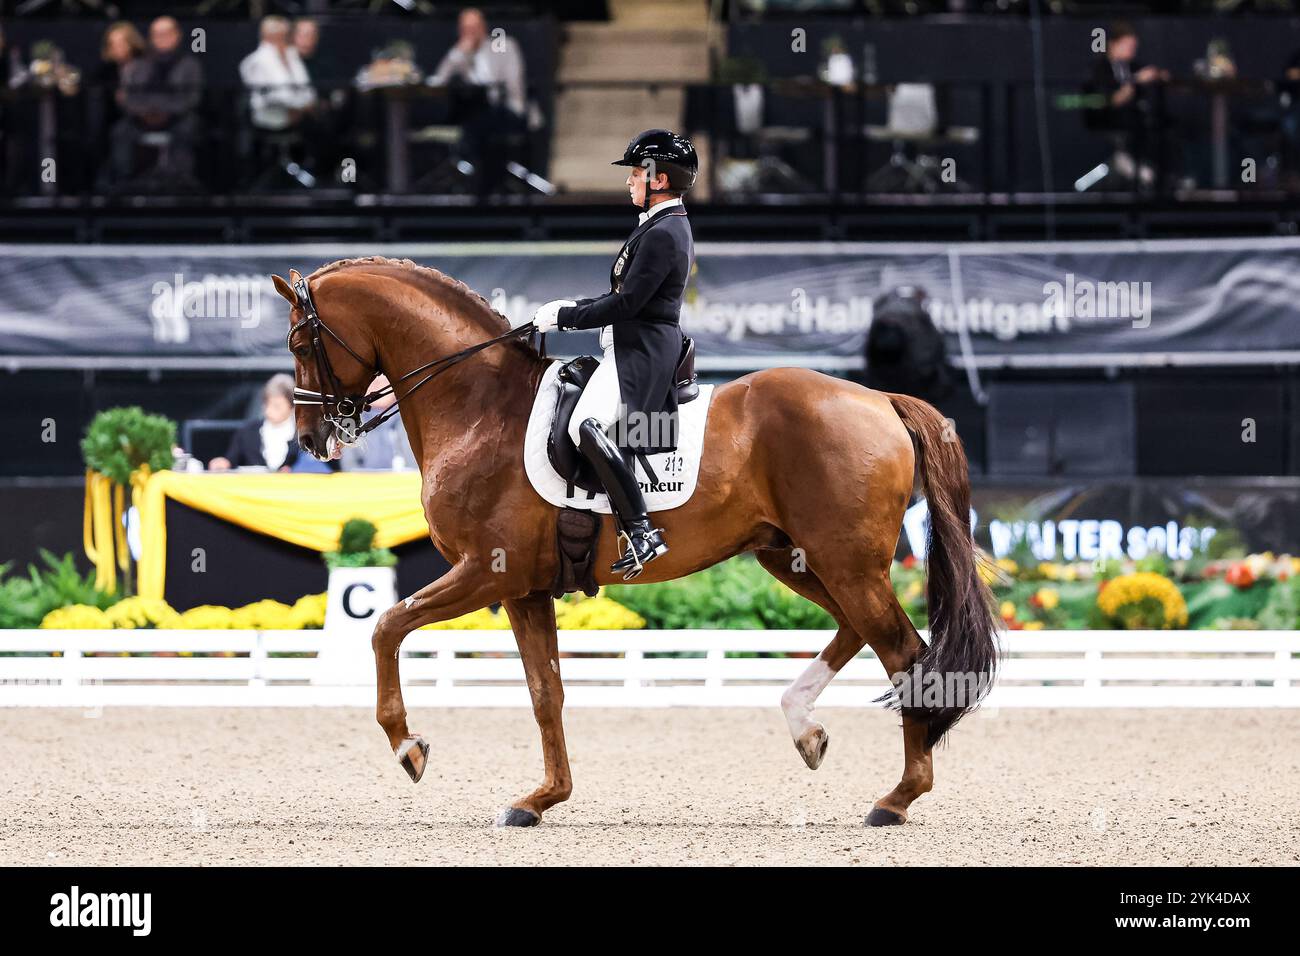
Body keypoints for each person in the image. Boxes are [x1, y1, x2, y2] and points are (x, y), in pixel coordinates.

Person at [519, 129, 697, 579]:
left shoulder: (664, 231)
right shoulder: (659, 226)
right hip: (632, 343)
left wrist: (568, 319)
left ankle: (641, 532)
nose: (630, 181)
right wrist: (572, 306)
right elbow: (621, 295)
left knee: (585, 425)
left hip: (643, 350)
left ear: (658, 178)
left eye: (637, 172)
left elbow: (627, 305)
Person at [427, 7, 527, 196]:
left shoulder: (503, 46)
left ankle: (478, 178)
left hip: (505, 110)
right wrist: (459, 53)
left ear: (483, 27)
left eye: (474, 28)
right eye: (466, 29)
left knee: (477, 123)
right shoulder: (460, 53)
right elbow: (439, 80)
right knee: (473, 120)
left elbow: (513, 85)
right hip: (473, 113)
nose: (470, 33)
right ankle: (475, 177)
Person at [111, 16, 204, 189]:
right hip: (141, 118)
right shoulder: (137, 65)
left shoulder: (190, 64)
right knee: (120, 131)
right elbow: (128, 98)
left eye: (166, 33)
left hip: (176, 118)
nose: (162, 38)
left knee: (189, 128)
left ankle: (181, 182)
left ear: (177, 35)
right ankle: (124, 182)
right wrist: (146, 113)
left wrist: (165, 113)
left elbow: (192, 99)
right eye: (157, 34)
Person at [1084, 21, 1169, 188]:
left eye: (1134, 47)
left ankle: (1160, 179)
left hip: (1138, 124)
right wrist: (1136, 80)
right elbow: (1111, 101)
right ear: (1113, 44)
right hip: (1108, 123)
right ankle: (1134, 171)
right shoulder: (1101, 69)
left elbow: (1156, 75)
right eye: (1128, 46)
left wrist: (1158, 75)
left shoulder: (1131, 66)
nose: (1132, 51)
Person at [209, 374, 300, 472]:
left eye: (276, 406)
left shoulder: (303, 436)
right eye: (266, 404)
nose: (269, 411)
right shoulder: (247, 432)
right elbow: (231, 460)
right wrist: (222, 463)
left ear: (292, 407)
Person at [240, 16, 315, 133]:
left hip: (300, 115)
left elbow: (306, 88)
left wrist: (304, 105)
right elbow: (271, 96)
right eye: (284, 37)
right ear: (269, 37)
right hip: (270, 117)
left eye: (287, 36)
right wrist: (296, 106)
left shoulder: (291, 55)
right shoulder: (255, 61)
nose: (288, 41)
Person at [340, 375, 417, 471]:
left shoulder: (414, 418)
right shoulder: (348, 422)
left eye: (383, 377)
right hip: (361, 483)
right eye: (372, 378)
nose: (378, 383)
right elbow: (347, 467)